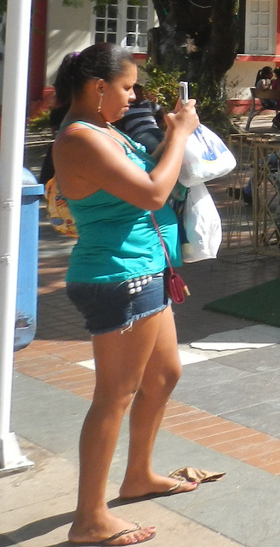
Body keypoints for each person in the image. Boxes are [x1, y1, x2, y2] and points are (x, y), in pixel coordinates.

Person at [51, 43, 203, 547]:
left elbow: (146, 176)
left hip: (147, 268)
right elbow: (153, 194)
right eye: (127, 87)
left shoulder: (106, 131)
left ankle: (137, 475)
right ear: (98, 88)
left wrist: (172, 137)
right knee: (113, 396)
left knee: (164, 375)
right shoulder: (79, 139)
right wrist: (179, 135)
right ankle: (89, 520)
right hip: (118, 276)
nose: (133, 95)